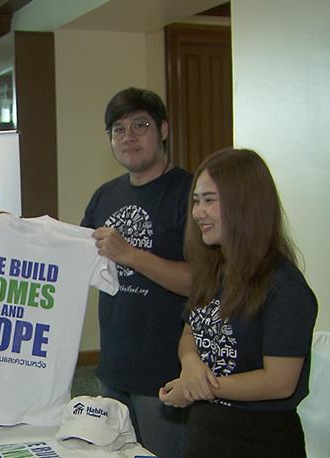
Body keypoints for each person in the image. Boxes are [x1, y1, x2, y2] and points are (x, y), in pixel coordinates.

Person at [159, 148, 318, 457]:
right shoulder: (215, 268)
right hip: (206, 434)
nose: (197, 213)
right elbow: (191, 331)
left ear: (244, 204)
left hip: (260, 442)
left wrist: (196, 388)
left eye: (208, 201)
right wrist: (191, 365)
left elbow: (279, 382)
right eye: (196, 200)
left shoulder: (285, 288)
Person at [80, 87, 192, 457]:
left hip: (166, 375)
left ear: (163, 129)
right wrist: (15, 233)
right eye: (118, 129)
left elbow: (200, 281)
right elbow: (75, 259)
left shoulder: (189, 193)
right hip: (111, 370)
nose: (128, 137)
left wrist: (129, 254)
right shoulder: (104, 195)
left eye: (140, 125)